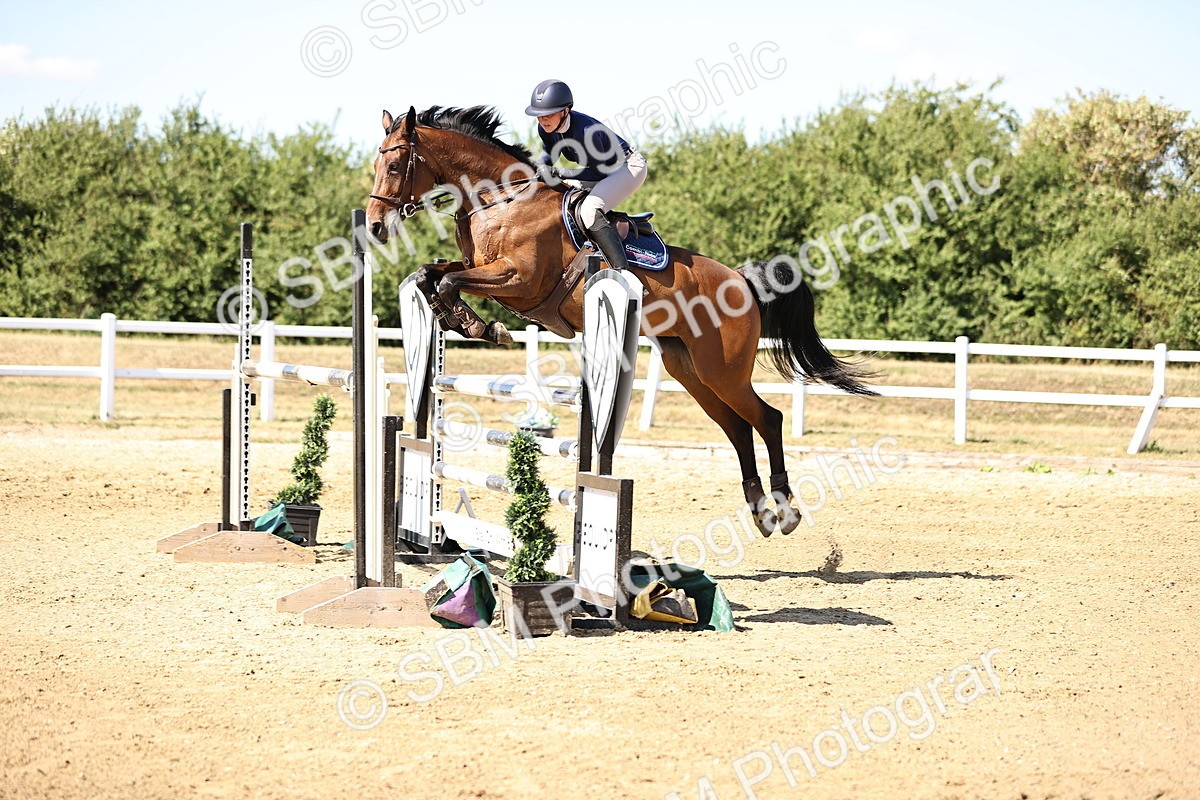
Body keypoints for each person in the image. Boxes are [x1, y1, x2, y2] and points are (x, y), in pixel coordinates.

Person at [525, 78, 647, 271]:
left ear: (565, 111)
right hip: (600, 169)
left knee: (590, 209)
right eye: (538, 115)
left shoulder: (585, 131)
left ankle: (622, 272)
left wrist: (561, 172)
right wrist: (539, 168)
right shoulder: (545, 129)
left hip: (627, 167)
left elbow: (597, 173)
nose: (542, 119)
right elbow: (549, 152)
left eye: (548, 114)